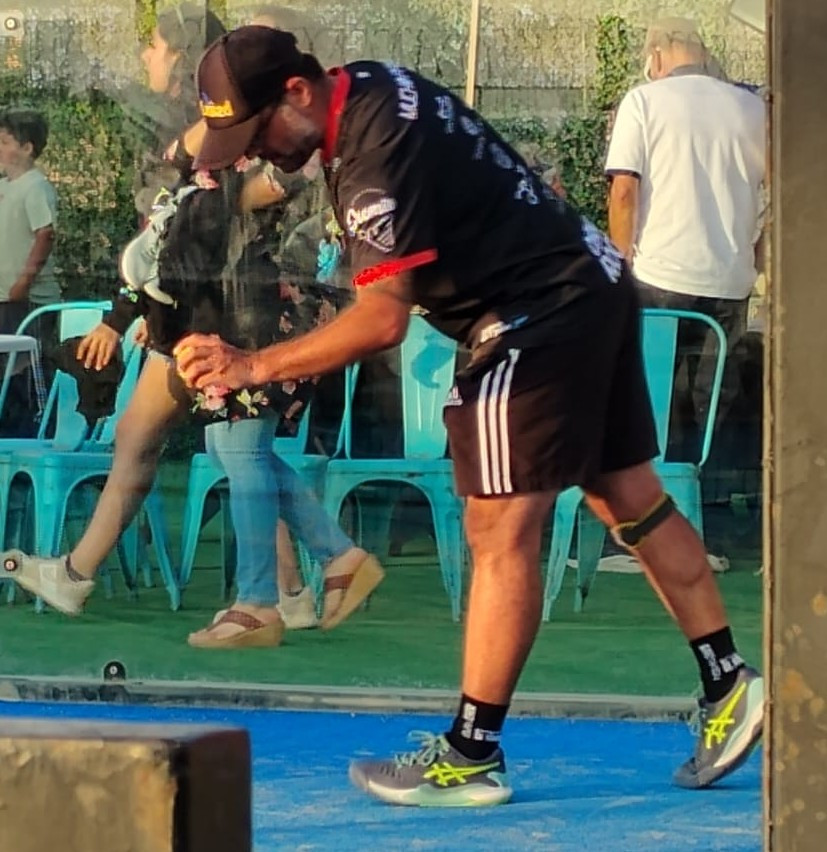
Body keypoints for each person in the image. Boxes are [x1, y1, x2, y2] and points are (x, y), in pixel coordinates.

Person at [175, 25, 764, 804]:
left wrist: (253, 365)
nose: (255, 152)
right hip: (589, 284)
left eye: (257, 133)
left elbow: (382, 320)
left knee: (498, 527)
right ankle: (729, 683)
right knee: (626, 495)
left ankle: (471, 753)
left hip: (534, 312)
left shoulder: (372, 159)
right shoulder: (366, 84)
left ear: (298, 90)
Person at [1, 8, 379, 645]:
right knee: (228, 447)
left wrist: (144, 301)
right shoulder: (205, 133)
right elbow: (176, 220)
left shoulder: (267, 136)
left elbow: (240, 206)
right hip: (210, 314)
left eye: (154, 45)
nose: (145, 56)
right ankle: (311, 573)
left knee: (238, 448)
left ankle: (272, 593)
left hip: (246, 316)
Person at [606, 18, 766, 460]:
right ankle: (709, 486)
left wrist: (620, 259)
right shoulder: (751, 109)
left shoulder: (644, 102)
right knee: (715, 401)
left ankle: (656, 483)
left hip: (659, 276)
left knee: (653, 396)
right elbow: (784, 189)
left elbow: (624, 191)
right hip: (730, 280)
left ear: (656, 55)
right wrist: (760, 252)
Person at [0, 107, 60, 436]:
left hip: (29, 301)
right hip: (4, 299)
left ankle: (35, 434)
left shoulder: (35, 186)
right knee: (4, 371)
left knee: (25, 371)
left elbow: (45, 233)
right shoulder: (5, 186)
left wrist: (24, 281)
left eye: (5, 142)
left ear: (27, 148)